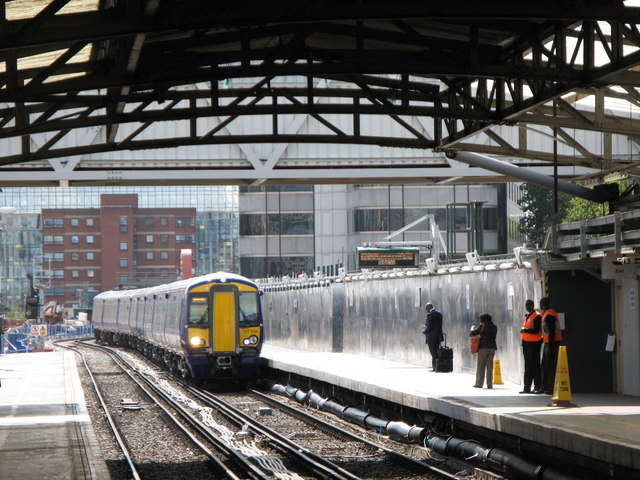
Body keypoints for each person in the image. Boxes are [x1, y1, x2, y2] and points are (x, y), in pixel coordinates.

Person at [537, 297, 562, 394]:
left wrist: (549, 346)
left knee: (550, 366)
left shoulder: (550, 315)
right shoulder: (547, 314)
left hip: (552, 343)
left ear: (543, 304)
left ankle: (550, 388)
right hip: (548, 342)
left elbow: (551, 332)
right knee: (544, 365)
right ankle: (544, 387)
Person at [519, 299, 542, 394]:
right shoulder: (528, 316)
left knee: (535, 366)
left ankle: (537, 387)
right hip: (526, 344)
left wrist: (525, 330)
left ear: (533, 305)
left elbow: (536, 330)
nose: (527, 306)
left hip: (534, 344)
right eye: (526, 305)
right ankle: (526, 387)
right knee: (528, 366)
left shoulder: (537, 316)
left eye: (529, 305)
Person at [470, 312, 498, 389]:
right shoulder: (494, 327)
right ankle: (489, 384)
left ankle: (479, 383)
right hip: (492, 348)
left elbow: (473, 333)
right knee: (490, 367)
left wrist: (472, 328)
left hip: (483, 348)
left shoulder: (483, 326)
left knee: (481, 366)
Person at [423, 303, 443, 371]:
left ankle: (435, 367)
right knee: (436, 351)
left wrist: (424, 331)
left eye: (426, 308)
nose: (426, 310)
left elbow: (429, 326)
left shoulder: (430, 315)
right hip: (438, 336)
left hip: (431, 337)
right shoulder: (439, 314)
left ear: (429, 307)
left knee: (433, 352)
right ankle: (438, 366)